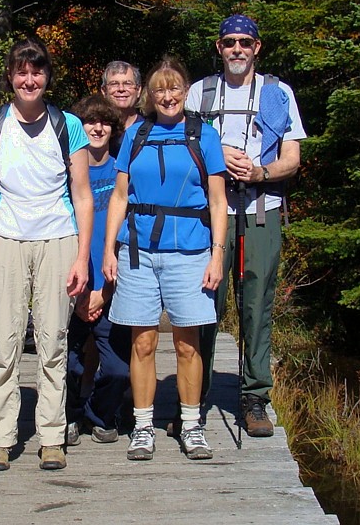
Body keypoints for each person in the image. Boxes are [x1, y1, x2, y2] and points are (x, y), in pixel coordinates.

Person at [0, 37, 94, 472]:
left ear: (47, 76)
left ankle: (52, 436)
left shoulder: (68, 125)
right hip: (2, 238)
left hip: (58, 239)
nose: (29, 79)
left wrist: (82, 259)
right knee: (3, 342)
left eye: (36, 71)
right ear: (10, 77)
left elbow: (82, 194)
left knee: (53, 341)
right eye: (21, 71)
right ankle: (0, 437)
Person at [185, 14, 306, 437]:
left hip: (261, 209)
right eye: (229, 42)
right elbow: (182, 149)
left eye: (245, 42)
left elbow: (291, 158)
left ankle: (254, 397)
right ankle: (193, 396)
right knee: (203, 304)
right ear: (219, 48)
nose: (237, 49)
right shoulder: (198, 93)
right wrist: (219, 158)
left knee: (257, 305)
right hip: (208, 215)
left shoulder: (277, 93)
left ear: (257, 48)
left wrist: (258, 172)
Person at [103, 56, 228, 461]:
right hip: (139, 251)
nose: (168, 96)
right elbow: (120, 197)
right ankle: (143, 426)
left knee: (188, 344)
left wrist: (217, 256)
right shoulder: (137, 133)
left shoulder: (203, 136)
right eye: (160, 89)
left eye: (174, 88)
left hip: (190, 252)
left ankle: (191, 425)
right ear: (149, 95)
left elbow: (217, 199)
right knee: (142, 343)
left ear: (186, 91)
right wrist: (109, 249)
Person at [65, 95, 131, 446]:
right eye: (89, 121)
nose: (97, 127)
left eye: (104, 121)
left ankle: (101, 413)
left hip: (111, 287)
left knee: (120, 369)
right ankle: (70, 415)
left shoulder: (122, 171)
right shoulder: (66, 175)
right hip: (70, 287)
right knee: (67, 364)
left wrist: (103, 293)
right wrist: (79, 294)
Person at [100, 60, 143, 132]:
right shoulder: (97, 132)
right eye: (114, 84)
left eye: (127, 84)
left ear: (138, 90)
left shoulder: (151, 131)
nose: (121, 89)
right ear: (104, 91)